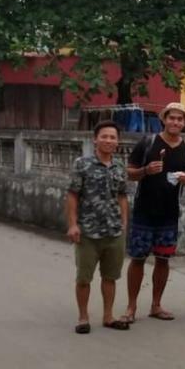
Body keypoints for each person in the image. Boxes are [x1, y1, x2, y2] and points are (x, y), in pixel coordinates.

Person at [122, 102, 185, 323]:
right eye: (171, 118)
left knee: (163, 260)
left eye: (180, 119)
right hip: (144, 211)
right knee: (138, 259)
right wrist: (146, 170)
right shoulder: (148, 142)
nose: (175, 122)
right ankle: (131, 307)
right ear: (164, 119)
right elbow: (130, 173)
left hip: (169, 214)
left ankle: (156, 305)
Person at [66, 121, 130, 334]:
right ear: (95, 139)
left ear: (117, 141)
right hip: (87, 232)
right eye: (104, 136)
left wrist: (124, 223)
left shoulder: (120, 167)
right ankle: (83, 317)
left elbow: (122, 196)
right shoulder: (82, 164)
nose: (109, 141)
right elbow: (72, 195)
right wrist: (73, 225)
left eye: (113, 137)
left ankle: (108, 316)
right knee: (84, 278)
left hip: (113, 231)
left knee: (110, 277)